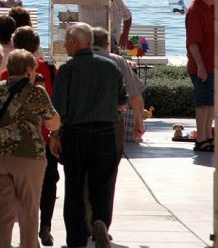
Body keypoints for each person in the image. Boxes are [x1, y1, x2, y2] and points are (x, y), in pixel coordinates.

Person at [50, 23, 127, 248]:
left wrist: (55, 136)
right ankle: (101, 221)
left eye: (66, 40)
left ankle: (76, 239)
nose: (64, 44)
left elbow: (59, 110)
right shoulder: (111, 66)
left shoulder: (67, 70)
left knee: (74, 188)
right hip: (106, 133)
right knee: (102, 184)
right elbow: (122, 102)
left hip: (75, 135)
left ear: (75, 42)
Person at [0, 49, 60, 248]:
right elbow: (53, 123)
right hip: (28, 156)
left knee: (1, 212)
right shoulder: (36, 91)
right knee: (28, 209)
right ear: (28, 70)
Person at [3, 27, 58, 246]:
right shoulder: (51, 70)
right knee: (49, 182)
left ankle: (27, 227)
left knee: (19, 185)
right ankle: (45, 226)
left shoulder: (7, 75)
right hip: (45, 135)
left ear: (15, 45)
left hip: (16, 138)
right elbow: (57, 103)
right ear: (36, 46)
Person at [92, 26, 146, 231]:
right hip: (112, 124)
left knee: (84, 173)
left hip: (81, 124)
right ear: (107, 44)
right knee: (108, 174)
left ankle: (87, 219)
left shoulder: (76, 62)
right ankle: (102, 221)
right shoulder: (119, 62)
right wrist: (140, 123)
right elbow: (134, 95)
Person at [186, 0, 216, 153]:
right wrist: (200, 66)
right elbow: (193, 42)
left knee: (211, 102)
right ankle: (201, 138)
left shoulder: (211, 8)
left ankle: (208, 135)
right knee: (203, 102)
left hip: (213, 63)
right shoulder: (195, 11)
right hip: (202, 66)